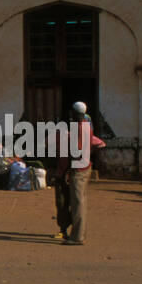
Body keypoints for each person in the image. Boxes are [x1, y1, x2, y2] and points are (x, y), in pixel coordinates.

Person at [54, 101, 98, 245]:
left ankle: (77, 237)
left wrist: (66, 171)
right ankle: (80, 234)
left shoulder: (77, 129)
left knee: (77, 203)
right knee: (81, 203)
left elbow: (74, 152)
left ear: (74, 113)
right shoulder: (87, 126)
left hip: (78, 169)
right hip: (85, 167)